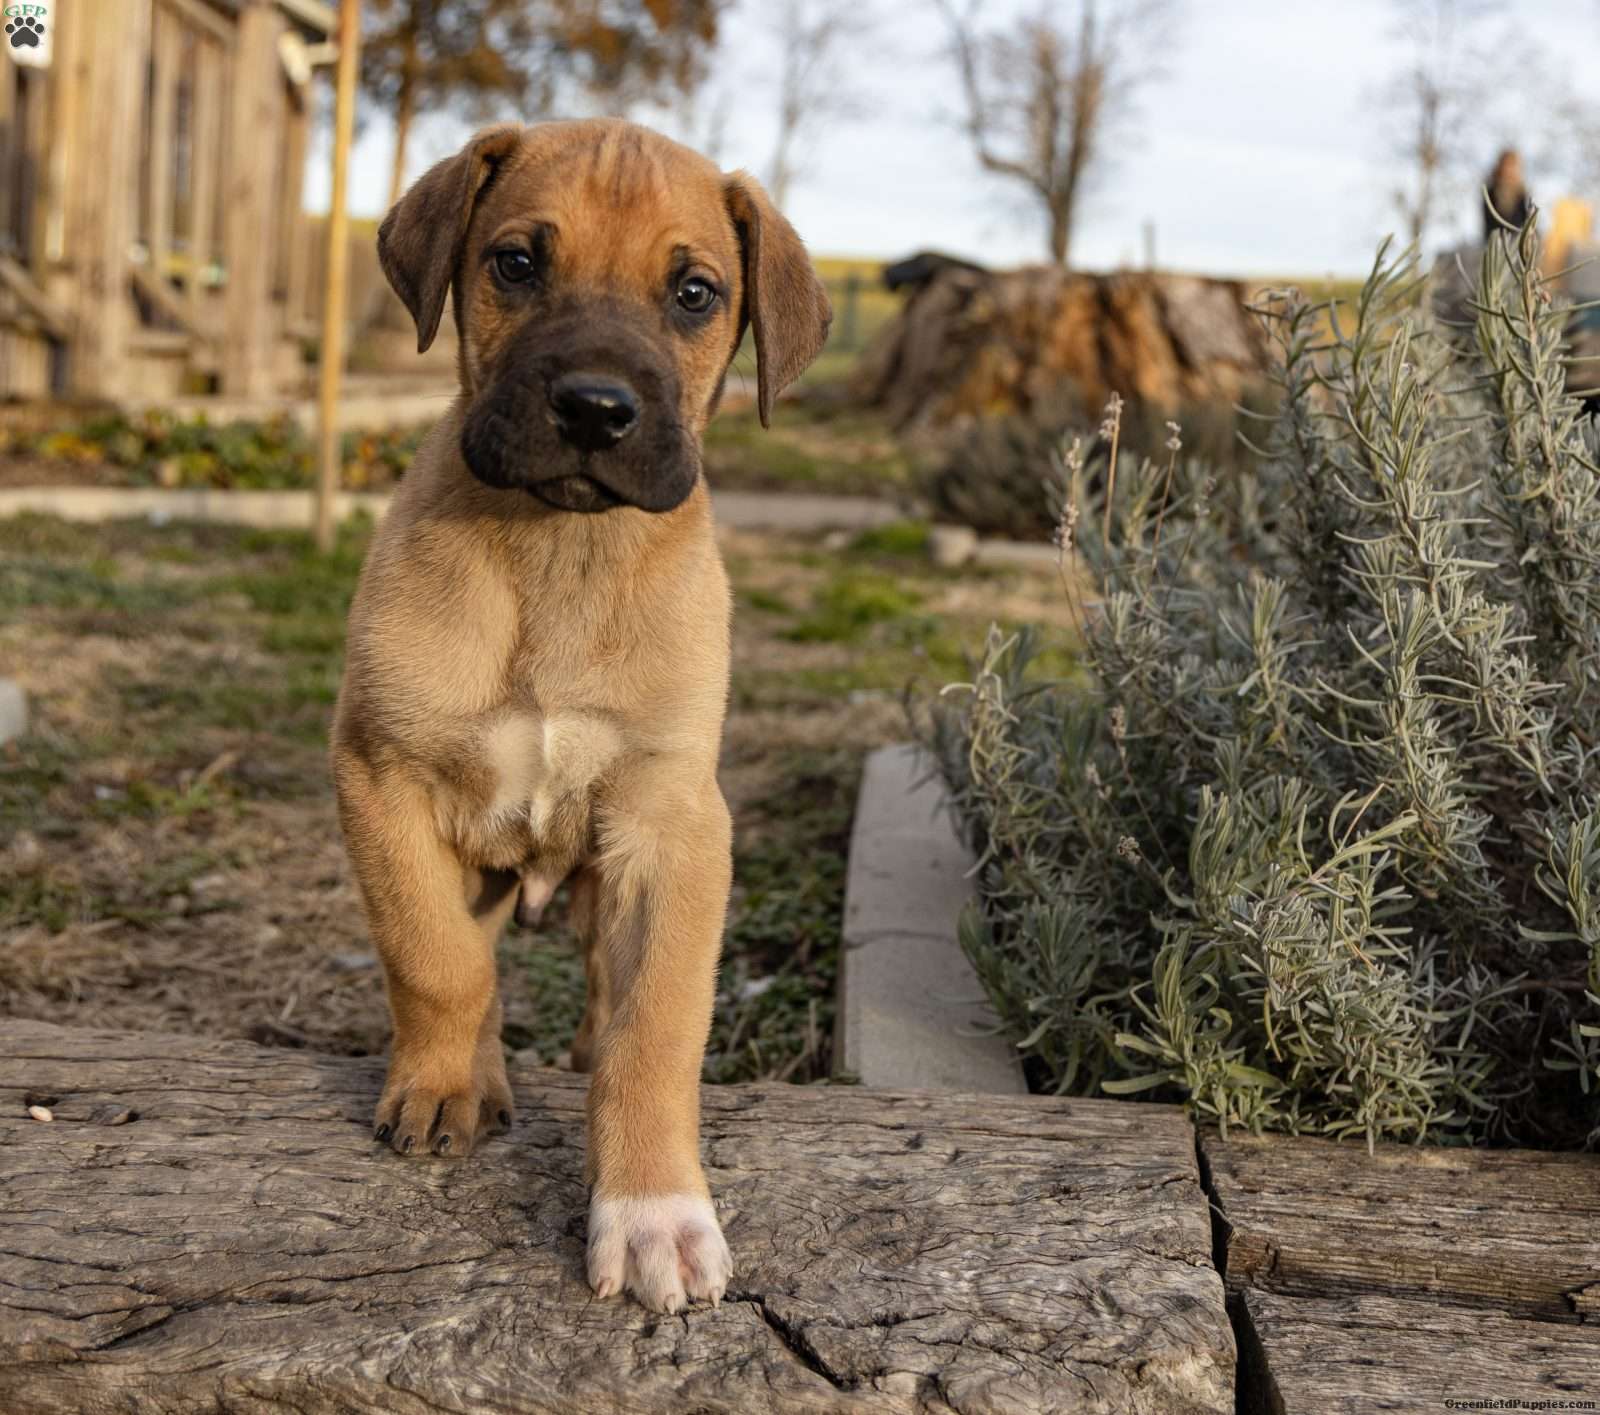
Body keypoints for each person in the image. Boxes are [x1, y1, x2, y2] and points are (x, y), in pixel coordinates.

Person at [1484, 148, 1532, 237]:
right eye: (1507, 165)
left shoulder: (1522, 193)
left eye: (1512, 166)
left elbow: (1526, 220)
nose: (1509, 170)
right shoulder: (1490, 192)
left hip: (1517, 240)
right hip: (1497, 241)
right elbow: (1490, 223)